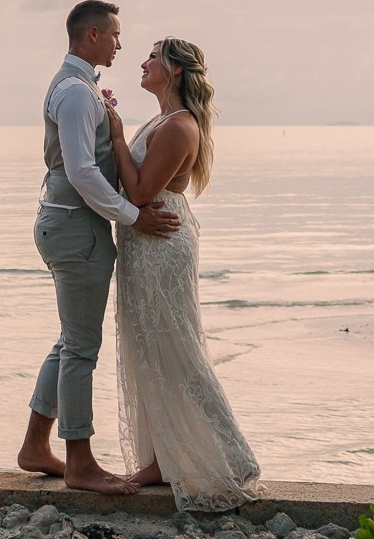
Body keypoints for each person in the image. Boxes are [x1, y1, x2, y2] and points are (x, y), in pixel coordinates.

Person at [19, 0, 181, 495]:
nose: (119, 43)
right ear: (91, 35)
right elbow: (81, 171)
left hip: (70, 225)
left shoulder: (82, 88)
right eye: (114, 34)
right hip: (74, 229)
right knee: (82, 350)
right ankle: (81, 462)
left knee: (71, 340)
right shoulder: (74, 93)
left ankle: (34, 446)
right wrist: (134, 216)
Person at [106, 37, 262, 510]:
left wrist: (114, 135)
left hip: (160, 242)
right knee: (147, 346)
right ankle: (161, 458)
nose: (143, 61)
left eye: (153, 56)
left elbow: (138, 193)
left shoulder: (179, 126)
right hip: (142, 241)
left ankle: (234, 457)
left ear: (173, 70)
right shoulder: (160, 119)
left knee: (174, 345)